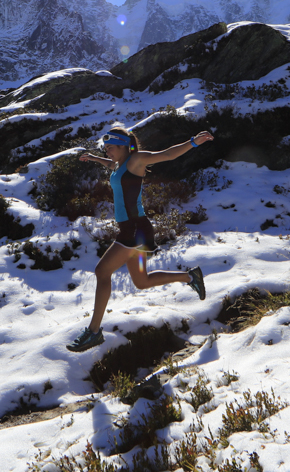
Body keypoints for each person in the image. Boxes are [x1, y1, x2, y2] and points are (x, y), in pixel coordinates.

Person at [65, 123, 214, 352]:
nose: (107, 151)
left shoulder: (136, 160)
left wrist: (193, 142)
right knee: (141, 282)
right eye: (105, 148)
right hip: (136, 229)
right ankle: (189, 277)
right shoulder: (119, 163)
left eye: (110, 147)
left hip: (134, 230)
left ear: (123, 147)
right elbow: (109, 164)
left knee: (102, 271)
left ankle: (94, 332)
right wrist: (94, 159)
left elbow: (167, 154)